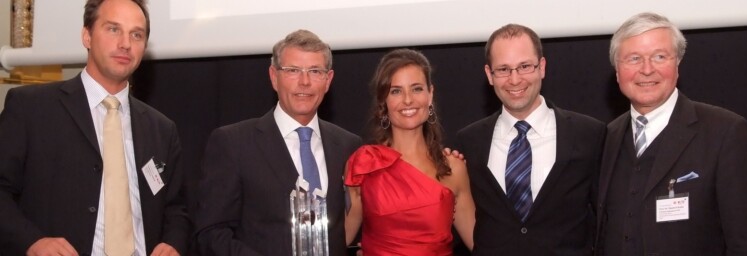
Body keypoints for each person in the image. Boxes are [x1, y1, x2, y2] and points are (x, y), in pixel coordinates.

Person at [0, 0, 189, 255]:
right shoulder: (31, 108)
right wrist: (32, 241)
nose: (125, 43)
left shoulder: (162, 129)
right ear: (87, 36)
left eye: (136, 34)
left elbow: (177, 209)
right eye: (113, 29)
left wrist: (173, 243)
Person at [595, 12, 747, 255]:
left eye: (659, 56)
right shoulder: (606, 137)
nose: (647, 69)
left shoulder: (724, 131)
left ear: (677, 65)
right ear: (618, 72)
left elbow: (745, 241)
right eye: (634, 58)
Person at [194, 29, 362, 255]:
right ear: (274, 77)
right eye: (293, 71)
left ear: (328, 80)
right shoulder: (233, 143)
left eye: (315, 71)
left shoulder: (348, 146)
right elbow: (211, 234)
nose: (304, 82)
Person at [455, 24, 605, 255]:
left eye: (524, 66)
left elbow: (607, 217)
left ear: (541, 67)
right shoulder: (469, 142)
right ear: (489, 75)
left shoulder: (589, 134)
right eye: (503, 69)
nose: (515, 79)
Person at [344, 48, 475, 255]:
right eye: (396, 91)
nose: (408, 100)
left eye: (416, 89)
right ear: (383, 102)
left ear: (430, 94)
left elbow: (483, 243)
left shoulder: (454, 168)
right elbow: (337, 239)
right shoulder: (364, 164)